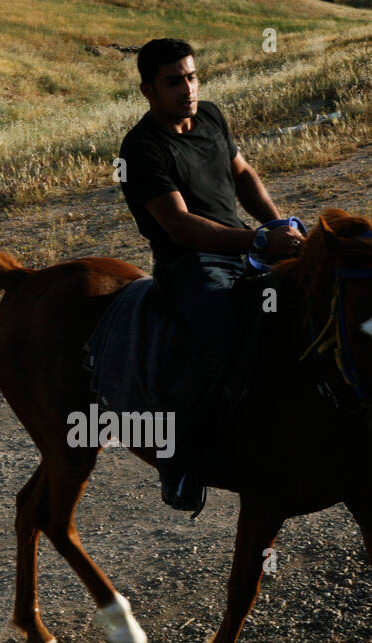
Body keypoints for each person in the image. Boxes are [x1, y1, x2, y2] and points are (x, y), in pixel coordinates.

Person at [119, 38, 304, 511]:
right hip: (191, 265)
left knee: (310, 295)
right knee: (218, 330)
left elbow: (242, 174)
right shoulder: (141, 148)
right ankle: (180, 458)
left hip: (243, 246)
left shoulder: (212, 117)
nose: (187, 88)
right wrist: (258, 242)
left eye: (192, 76)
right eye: (173, 81)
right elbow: (180, 228)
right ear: (148, 90)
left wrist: (276, 226)